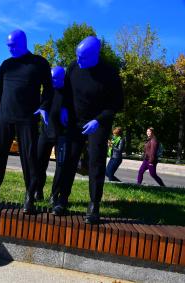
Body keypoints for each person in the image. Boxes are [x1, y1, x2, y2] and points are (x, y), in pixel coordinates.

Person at [54, 36, 124, 224]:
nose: (78, 60)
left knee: (96, 163)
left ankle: (94, 205)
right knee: (69, 160)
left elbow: (117, 104)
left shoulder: (109, 73)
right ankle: (62, 199)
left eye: (82, 57)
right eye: (77, 56)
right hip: (75, 121)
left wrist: (98, 121)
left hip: (97, 124)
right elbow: (66, 93)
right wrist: (63, 108)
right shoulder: (73, 67)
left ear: (95, 55)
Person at [0, 29, 53, 214]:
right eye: (8, 46)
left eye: (13, 45)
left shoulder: (39, 63)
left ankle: (29, 197)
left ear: (23, 42)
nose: (10, 49)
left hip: (27, 118)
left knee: (30, 159)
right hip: (5, 117)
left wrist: (44, 107)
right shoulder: (6, 65)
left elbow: (49, 89)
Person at [36, 66, 69, 203]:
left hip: (62, 135)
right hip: (45, 133)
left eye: (55, 78)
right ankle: (38, 191)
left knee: (61, 166)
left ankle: (54, 194)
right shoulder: (47, 89)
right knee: (39, 163)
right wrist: (42, 108)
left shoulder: (69, 92)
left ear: (63, 78)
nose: (52, 80)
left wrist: (67, 109)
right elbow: (42, 103)